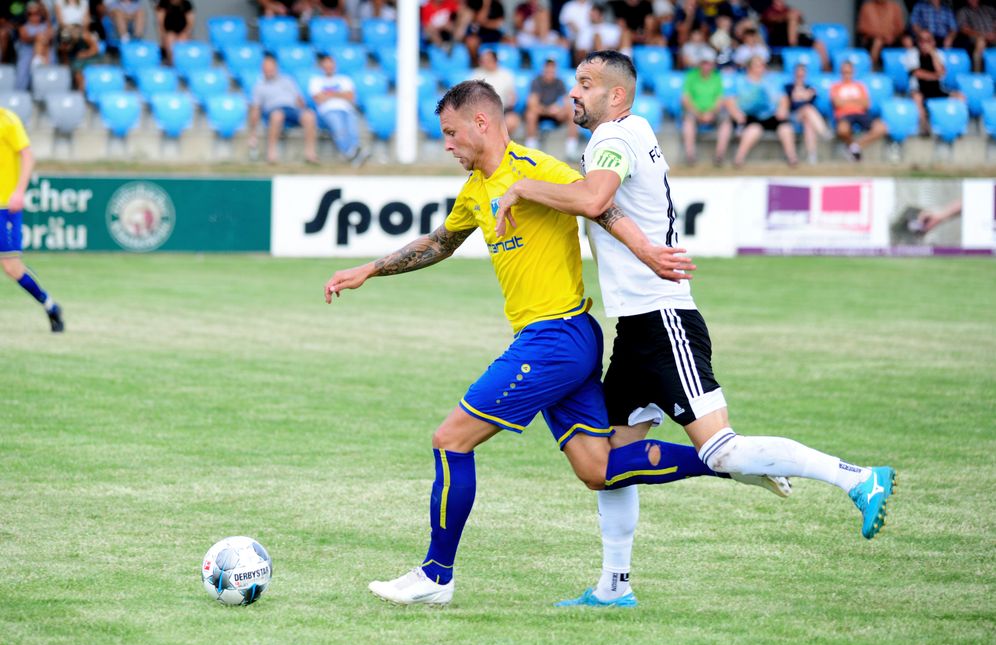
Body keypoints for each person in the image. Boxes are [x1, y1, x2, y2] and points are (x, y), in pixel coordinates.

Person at [326, 79, 783, 606]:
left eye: (451, 133)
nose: (446, 145)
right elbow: (439, 243)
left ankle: (435, 576)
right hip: (566, 339)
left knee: (450, 439)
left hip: (555, 337)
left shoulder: (537, 170)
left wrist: (650, 253)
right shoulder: (476, 188)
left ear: (482, 123)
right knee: (599, 470)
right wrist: (369, 269)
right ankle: (730, 462)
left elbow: (600, 206)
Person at [494, 50, 897, 607]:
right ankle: (614, 587)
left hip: (664, 324)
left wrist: (522, 187)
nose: (573, 93)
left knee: (722, 452)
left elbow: (592, 199)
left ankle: (857, 477)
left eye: (585, 84)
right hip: (634, 332)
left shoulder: (611, 136)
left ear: (615, 94)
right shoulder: (631, 132)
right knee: (611, 464)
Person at [1, 108, 64, 333]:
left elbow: (28, 156)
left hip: (5, 206)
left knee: (11, 267)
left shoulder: (7, 120)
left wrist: (19, 191)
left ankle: (50, 306)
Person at [726, 56, 798, 166]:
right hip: (750, 117)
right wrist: (736, 114)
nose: (761, 68)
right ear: (750, 68)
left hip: (772, 115)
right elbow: (730, 100)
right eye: (757, 65)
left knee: (786, 128)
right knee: (753, 130)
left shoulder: (772, 81)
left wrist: (782, 110)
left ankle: (792, 159)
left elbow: (783, 98)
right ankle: (738, 159)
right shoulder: (740, 81)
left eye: (762, 65)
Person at [248, 53, 319, 164]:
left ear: (276, 67)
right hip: (273, 111)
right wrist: (253, 132)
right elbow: (256, 109)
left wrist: (303, 107)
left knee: (309, 116)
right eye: (266, 68)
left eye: (270, 67)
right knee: (277, 115)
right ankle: (271, 154)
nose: (268, 70)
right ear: (262, 69)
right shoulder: (259, 86)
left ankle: (310, 154)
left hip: (292, 109)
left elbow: (298, 99)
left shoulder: (288, 80)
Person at [308, 53, 367, 165]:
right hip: (327, 111)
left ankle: (354, 153)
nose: (329, 67)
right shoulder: (316, 80)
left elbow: (351, 96)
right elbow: (318, 98)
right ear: (321, 66)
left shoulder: (344, 79)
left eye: (331, 64)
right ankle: (351, 153)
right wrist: (340, 94)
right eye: (326, 64)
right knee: (338, 127)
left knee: (352, 128)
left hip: (346, 109)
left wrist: (328, 94)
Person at [680, 49, 733, 165]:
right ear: (700, 63)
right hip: (695, 111)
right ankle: (690, 156)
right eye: (704, 63)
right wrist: (698, 113)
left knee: (726, 122)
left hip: (713, 112)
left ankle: (719, 156)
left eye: (708, 63)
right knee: (688, 121)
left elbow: (720, 99)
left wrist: (711, 113)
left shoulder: (717, 77)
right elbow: (685, 99)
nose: (706, 66)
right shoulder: (691, 75)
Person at [830, 60, 889, 161]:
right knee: (842, 130)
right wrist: (856, 100)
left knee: (882, 128)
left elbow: (866, 104)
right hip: (844, 114)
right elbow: (837, 103)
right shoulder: (835, 86)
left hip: (861, 114)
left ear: (853, 72)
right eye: (844, 72)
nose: (846, 75)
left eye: (848, 72)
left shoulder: (860, 86)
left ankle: (854, 148)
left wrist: (846, 101)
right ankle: (855, 150)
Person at [909, 31, 965, 135]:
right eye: (922, 41)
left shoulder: (939, 54)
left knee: (960, 97)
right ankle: (924, 126)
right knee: (917, 97)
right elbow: (917, 73)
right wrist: (935, 76)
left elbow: (941, 71)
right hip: (919, 89)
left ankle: (957, 127)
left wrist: (933, 53)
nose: (924, 44)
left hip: (937, 89)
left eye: (928, 41)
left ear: (933, 42)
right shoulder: (912, 54)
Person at [524, 57, 580, 157]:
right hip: (540, 113)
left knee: (571, 112)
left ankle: (571, 148)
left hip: (555, 114)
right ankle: (531, 147)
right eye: (547, 70)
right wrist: (548, 110)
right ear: (544, 70)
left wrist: (559, 109)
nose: (550, 72)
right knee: (531, 113)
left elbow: (567, 102)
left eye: (552, 70)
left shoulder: (559, 82)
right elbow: (532, 103)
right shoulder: (536, 81)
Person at [778, 62, 831, 164]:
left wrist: (802, 96)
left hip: (805, 117)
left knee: (808, 123)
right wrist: (803, 96)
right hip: (792, 116)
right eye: (798, 71)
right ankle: (823, 132)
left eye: (803, 72)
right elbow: (788, 104)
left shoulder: (810, 88)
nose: (800, 74)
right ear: (794, 73)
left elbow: (812, 102)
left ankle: (812, 156)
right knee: (807, 109)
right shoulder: (788, 87)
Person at [470, 48, 519, 135]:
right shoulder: (476, 74)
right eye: (482, 60)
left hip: (502, 111)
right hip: (481, 112)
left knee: (512, 121)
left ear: (495, 60)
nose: (483, 62)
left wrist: (510, 104)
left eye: (487, 60)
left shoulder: (507, 74)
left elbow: (513, 96)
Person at [857, 0, 907, 69]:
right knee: (878, 42)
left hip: (892, 39)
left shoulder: (894, 7)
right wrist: (881, 35)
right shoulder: (867, 7)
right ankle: (870, 68)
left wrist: (892, 36)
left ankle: (908, 69)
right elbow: (862, 28)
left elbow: (900, 27)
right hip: (871, 40)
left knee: (907, 41)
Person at [15, 2, 53, 91]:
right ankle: (20, 94)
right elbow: (25, 38)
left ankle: (44, 94)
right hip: (27, 52)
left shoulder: (46, 26)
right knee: (23, 69)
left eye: (37, 14)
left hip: (45, 53)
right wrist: (37, 38)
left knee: (49, 60)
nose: (34, 16)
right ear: (27, 16)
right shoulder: (23, 27)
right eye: (30, 14)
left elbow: (50, 39)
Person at [956, 0, 996, 73]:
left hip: (993, 35)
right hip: (977, 37)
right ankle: (977, 73)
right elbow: (964, 29)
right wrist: (983, 35)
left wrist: (994, 33)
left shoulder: (989, 9)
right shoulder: (963, 11)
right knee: (981, 42)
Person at [156, 0, 194, 65]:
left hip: (182, 33)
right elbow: (160, 24)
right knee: (170, 38)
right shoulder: (163, 3)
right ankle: (171, 63)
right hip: (168, 34)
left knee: (182, 39)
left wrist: (185, 33)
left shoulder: (186, 4)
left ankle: (182, 64)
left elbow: (190, 23)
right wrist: (164, 37)